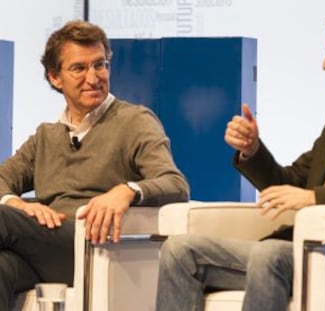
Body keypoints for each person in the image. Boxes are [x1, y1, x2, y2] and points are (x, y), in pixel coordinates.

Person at [155, 9, 325, 311]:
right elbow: (287, 184)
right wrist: (252, 150)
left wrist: (316, 198)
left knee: (270, 255)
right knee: (179, 250)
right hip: (294, 248)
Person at [0, 20, 189, 309]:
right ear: (54, 77)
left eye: (100, 65)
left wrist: (126, 190)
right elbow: (3, 179)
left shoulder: (135, 121)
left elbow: (175, 184)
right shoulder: (46, 136)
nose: (93, 77)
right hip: (43, 250)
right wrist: (19, 205)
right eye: (79, 68)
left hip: (91, 244)